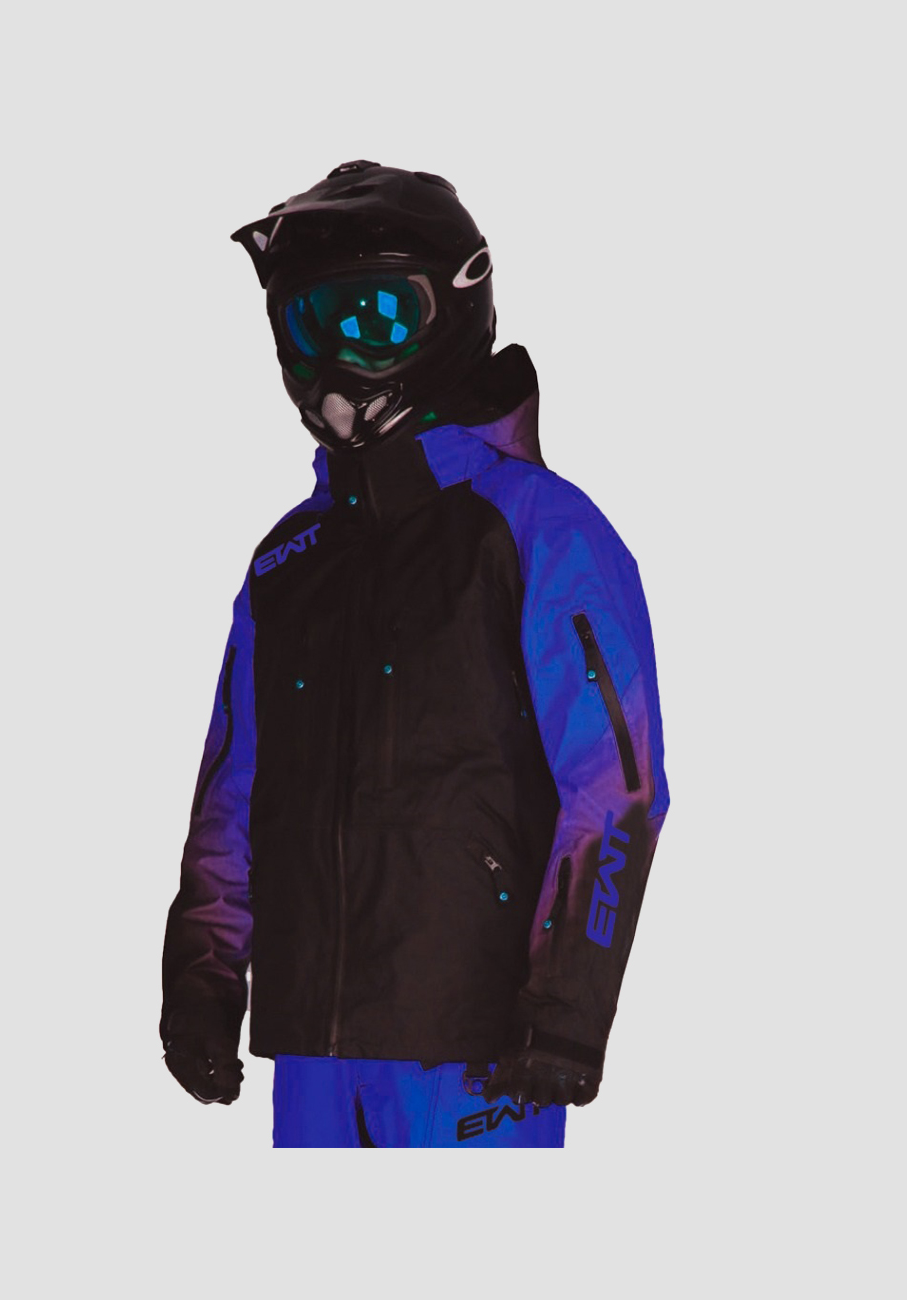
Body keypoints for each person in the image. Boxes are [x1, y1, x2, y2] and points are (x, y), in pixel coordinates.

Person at [159, 161, 670, 1147]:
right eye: (313, 323)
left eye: (378, 317)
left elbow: (616, 785)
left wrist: (568, 1008)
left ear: (454, 308)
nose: (342, 356)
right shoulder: (286, 564)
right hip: (314, 1056)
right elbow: (233, 792)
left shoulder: (539, 529)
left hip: (480, 1054)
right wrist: (203, 973)